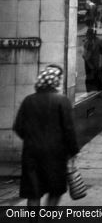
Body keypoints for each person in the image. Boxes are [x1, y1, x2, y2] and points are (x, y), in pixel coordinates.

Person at [14, 65, 80, 209]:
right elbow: (69, 129)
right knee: (55, 190)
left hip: (31, 153)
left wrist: (31, 139)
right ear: (56, 82)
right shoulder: (62, 101)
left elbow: (18, 127)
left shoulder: (28, 100)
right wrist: (73, 151)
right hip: (55, 154)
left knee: (33, 193)